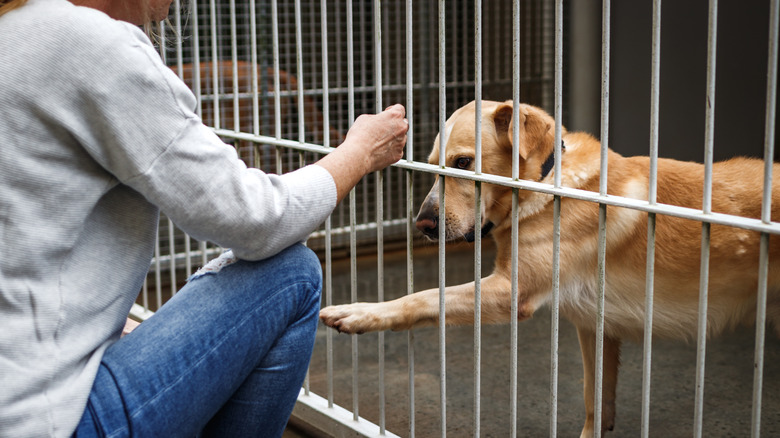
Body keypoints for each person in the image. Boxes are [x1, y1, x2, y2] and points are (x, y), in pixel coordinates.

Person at [0, 0, 408, 436]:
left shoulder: (13, 31)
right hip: (44, 419)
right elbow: (254, 220)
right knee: (291, 273)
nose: (174, 8)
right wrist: (359, 152)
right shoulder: (87, 42)